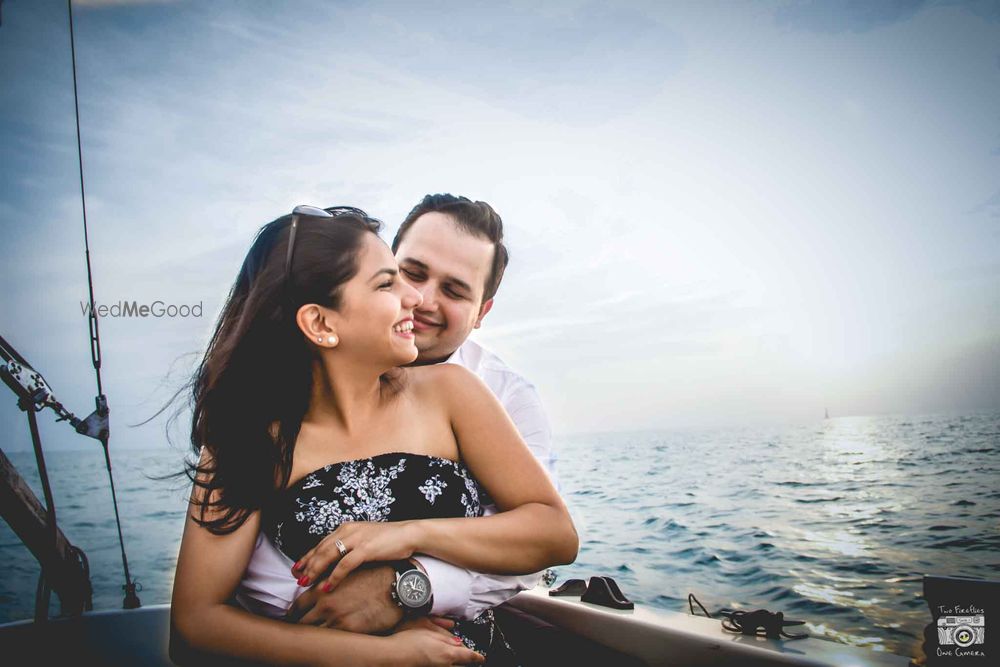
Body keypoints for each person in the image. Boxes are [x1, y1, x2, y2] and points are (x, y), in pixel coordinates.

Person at [170, 204, 578, 666]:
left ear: (481, 310)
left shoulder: (456, 390)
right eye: (392, 280)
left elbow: (555, 534)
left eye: (453, 290)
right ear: (322, 324)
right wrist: (383, 655)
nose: (417, 299)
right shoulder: (248, 441)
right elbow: (196, 624)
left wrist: (404, 539)